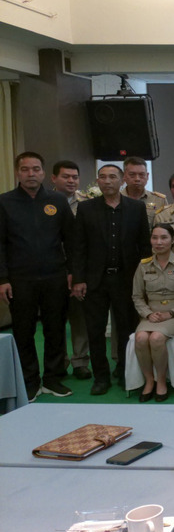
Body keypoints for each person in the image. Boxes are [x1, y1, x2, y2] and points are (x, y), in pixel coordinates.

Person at [0, 152, 77, 401]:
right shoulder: (5, 202)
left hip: (55, 276)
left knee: (55, 329)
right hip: (20, 279)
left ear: (44, 173)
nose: (30, 174)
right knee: (24, 331)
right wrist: (3, 279)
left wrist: (72, 272)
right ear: (17, 173)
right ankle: (29, 381)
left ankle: (53, 378)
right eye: (25, 169)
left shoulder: (58, 201)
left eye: (35, 169)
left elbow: (71, 240)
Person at [73, 164, 151, 395]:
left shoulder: (136, 208)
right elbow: (78, 247)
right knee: (95, 330)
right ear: (97, 181)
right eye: (103, 177)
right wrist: (78, 279)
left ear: (122, 180)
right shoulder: (86, 208)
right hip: (94, 279)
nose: (107, 181)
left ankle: (126, 371)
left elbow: (144, 246)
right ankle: (101, 377)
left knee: (126, 328)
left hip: (126, 278)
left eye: (112, 177)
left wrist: (144, 279)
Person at [131, 223, 174, 402]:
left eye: (164, 238)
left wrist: (172, 313)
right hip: (152, 314)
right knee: (141, 338)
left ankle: (162, 381)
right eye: (154, 238)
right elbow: (137, 296)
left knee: (156, 338)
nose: (159, 242)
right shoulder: (143, 265)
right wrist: (148, 313)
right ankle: (149, 380)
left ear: (173, 240)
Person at [50, 159, 91, 380]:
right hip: (52, 270)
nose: (71, 181)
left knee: (79, 318)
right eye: (66, 177)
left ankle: (80, 361)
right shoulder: (44, 202)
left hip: (77, 270)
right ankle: (59, 362)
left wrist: (77, 272)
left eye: (75, 177)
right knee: (55, 320)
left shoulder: (86, 203)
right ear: (53, 178)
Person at [121, 156, 167, 228]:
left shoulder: (159, 200)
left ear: (147, 176)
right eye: (132, 175)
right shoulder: (116, 199)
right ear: (124, 176)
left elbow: (165, 228)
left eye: (141, 175)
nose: (137, 179)